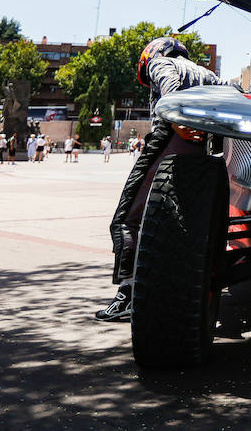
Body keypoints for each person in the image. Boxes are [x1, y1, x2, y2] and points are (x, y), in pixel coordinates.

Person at [96, 36, 238, 322]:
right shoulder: (207, 74)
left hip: (169, 138)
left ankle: (128, 293)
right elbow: (236, 91)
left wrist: (177, 119)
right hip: (205, 150)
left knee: (127, 220)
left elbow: (169, 86)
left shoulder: (161, 62)